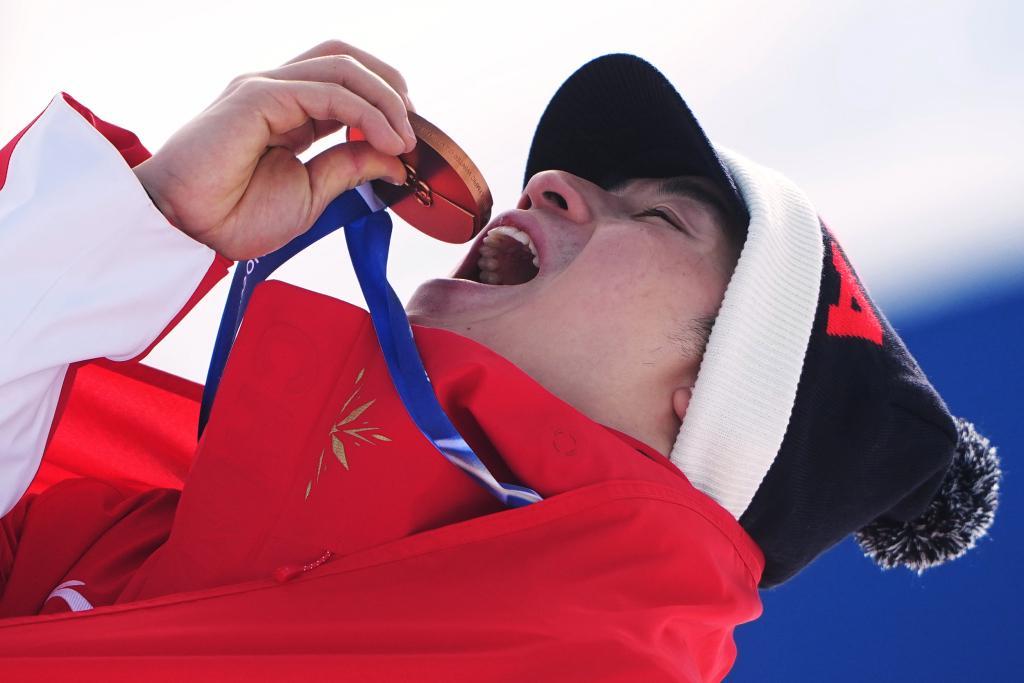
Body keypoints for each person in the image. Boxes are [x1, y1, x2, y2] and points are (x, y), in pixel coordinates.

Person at [0, 39, 1001, 681]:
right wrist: (146, 219)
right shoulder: (134, 533)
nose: (549, 181)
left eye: (658, 215)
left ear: (704, 400)